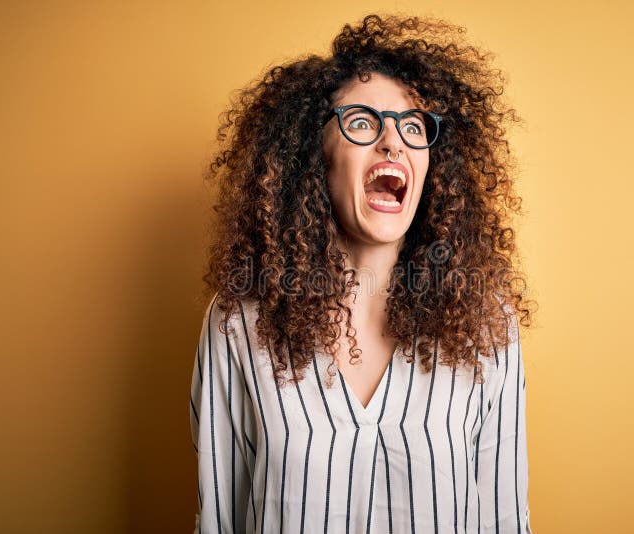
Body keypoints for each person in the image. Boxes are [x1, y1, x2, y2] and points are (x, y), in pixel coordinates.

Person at [190, 13, 537, 534]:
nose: (392, 143)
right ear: (315, 157)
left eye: (413, 127)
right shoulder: (238, 324)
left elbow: (508, 522)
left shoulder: (488, 328)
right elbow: (218, 520)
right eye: (361, 122)